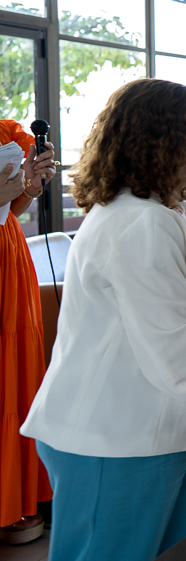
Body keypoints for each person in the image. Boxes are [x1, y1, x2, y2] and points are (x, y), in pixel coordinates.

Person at [20, 79, 186, 561]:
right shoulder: (137, 221)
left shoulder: (169, 212)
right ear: (152, 138)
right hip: (112, 437)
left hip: (166, 425)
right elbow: (166, 339)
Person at [0, 119, 56, 545]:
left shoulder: (7, 132)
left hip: (8, 254)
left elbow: (12, 208)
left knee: (14, 374)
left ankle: (13, 499)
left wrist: (31, 186)